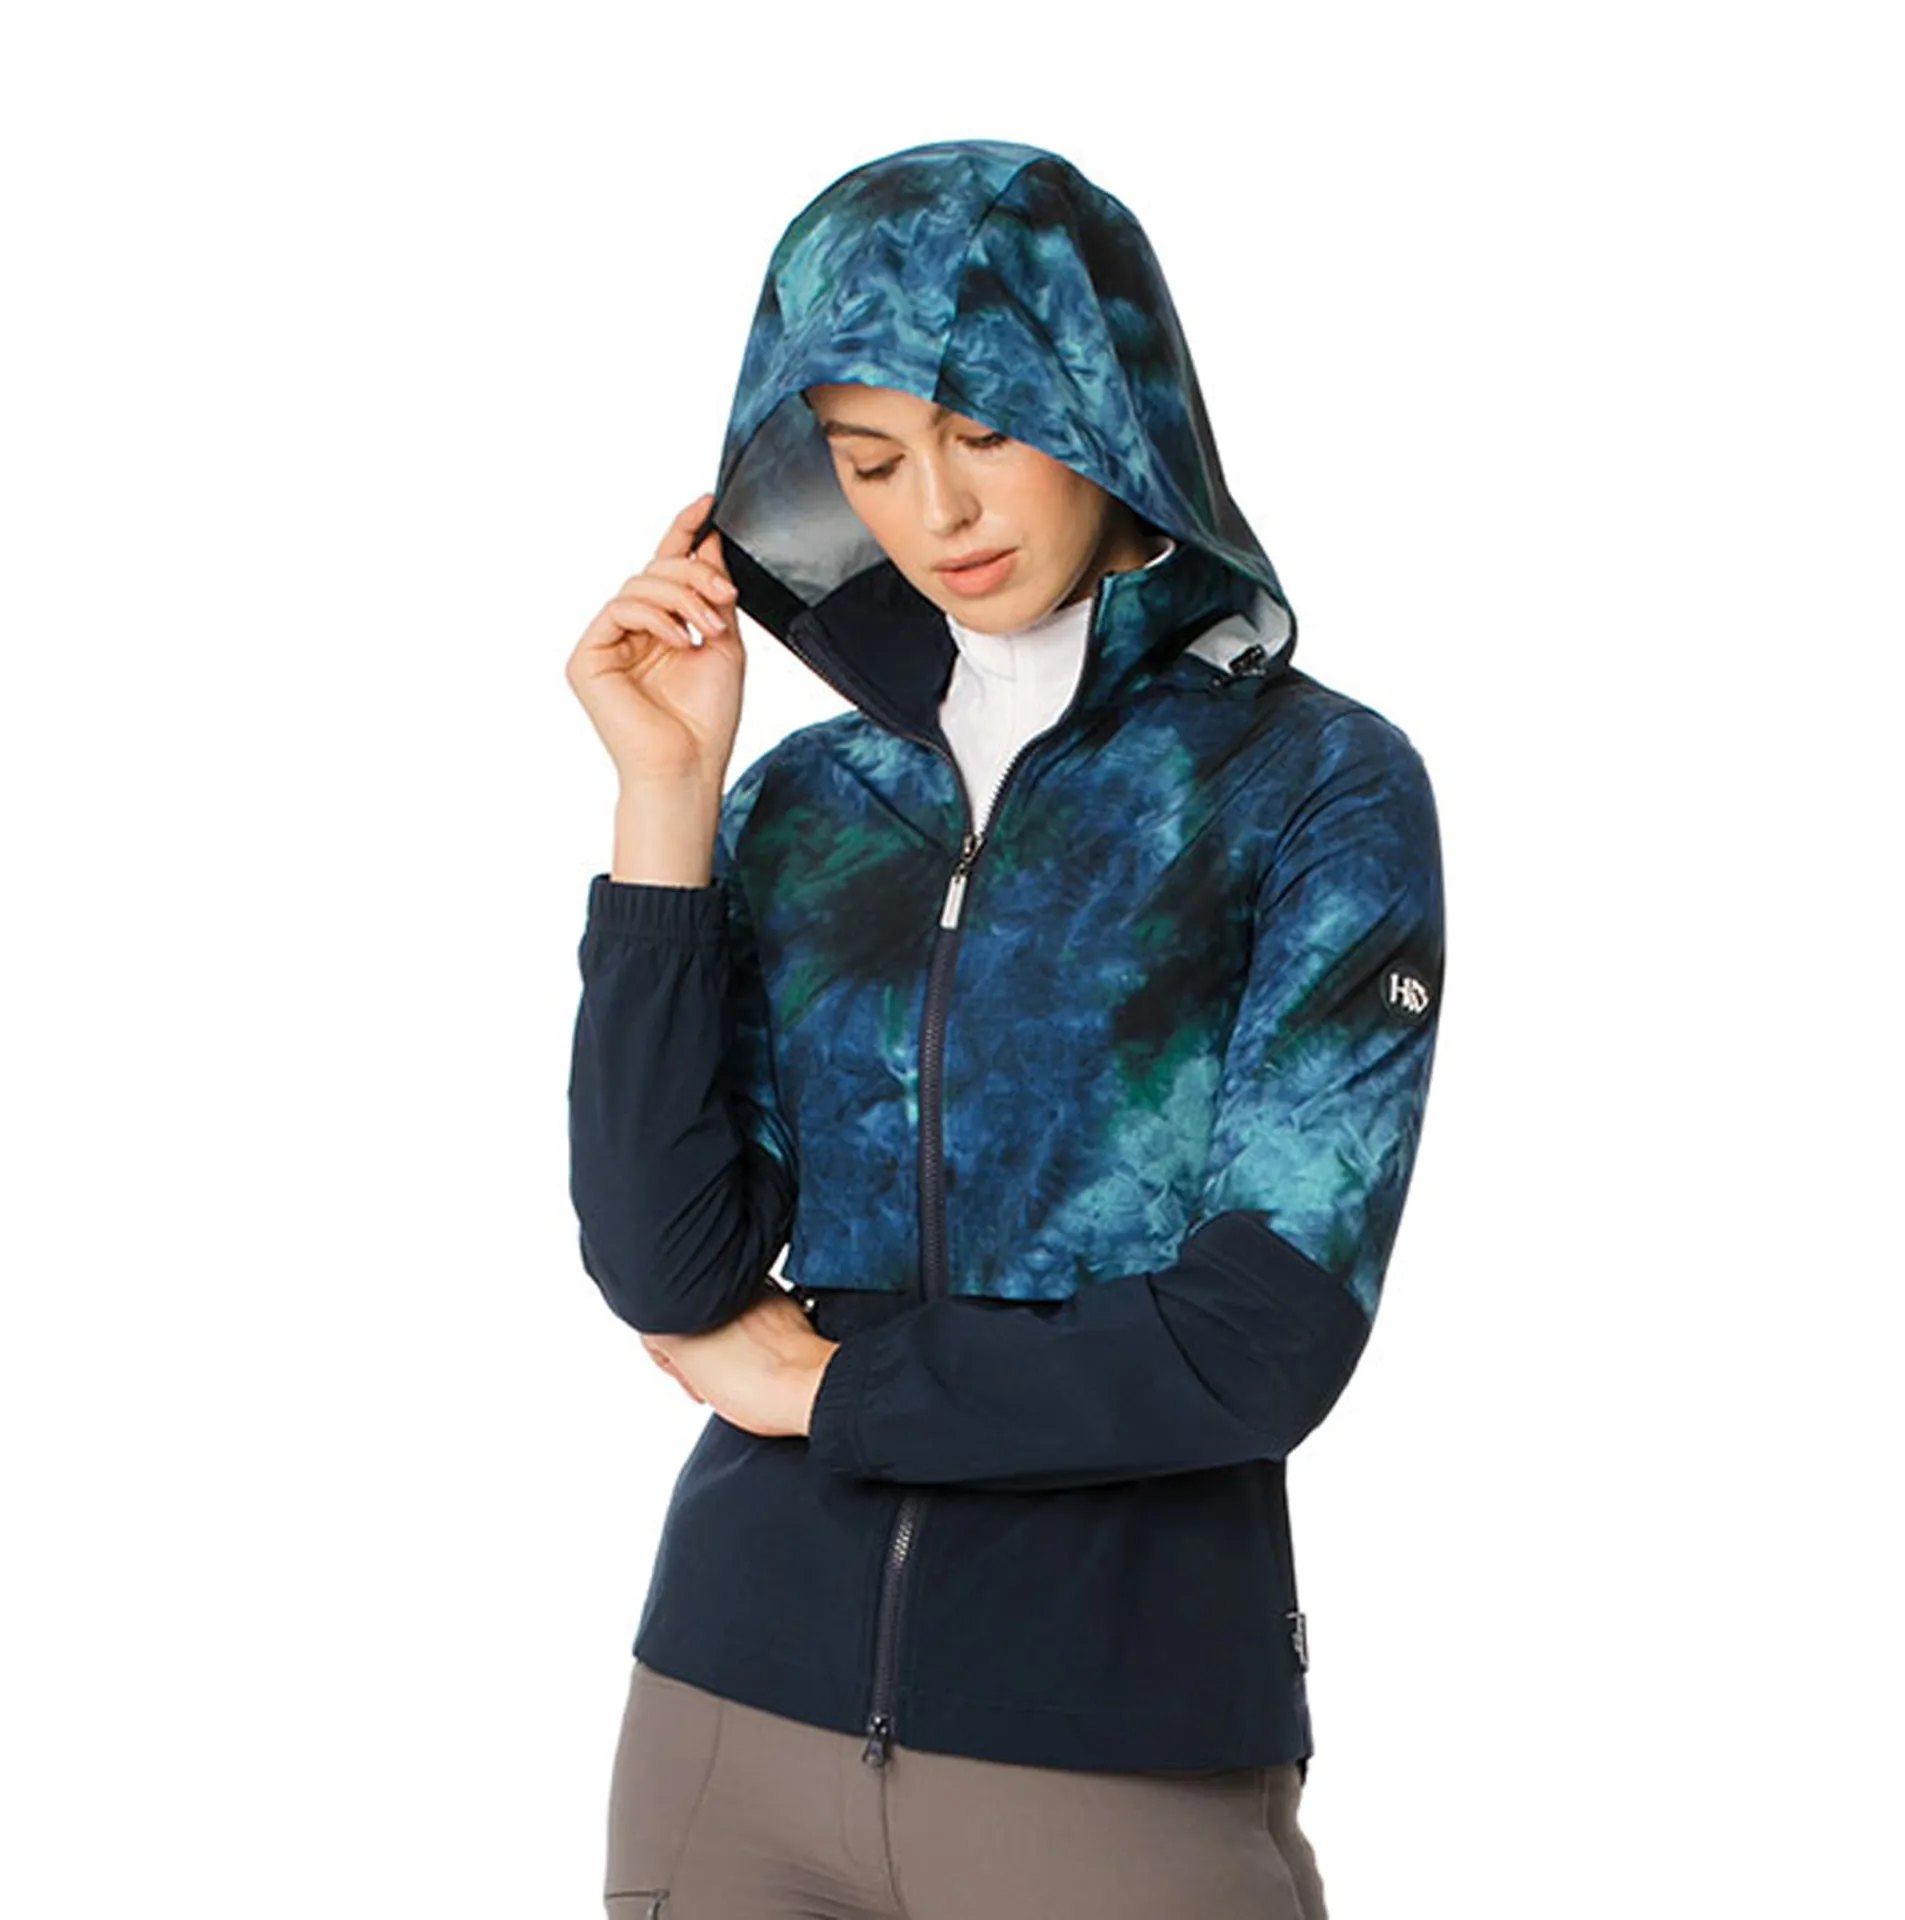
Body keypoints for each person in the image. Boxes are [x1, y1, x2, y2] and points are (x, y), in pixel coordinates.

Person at [563, 138, 1445, 1920]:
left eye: (987, 430)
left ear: (1111, 409)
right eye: (871, 459)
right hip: (728, 1718)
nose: (940, 511)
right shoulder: (808, 802)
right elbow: (667, 1265)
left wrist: (830, 1389)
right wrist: (667, 802)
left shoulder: (1312, 788)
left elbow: (1260, 1337)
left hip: (1108, 1748)